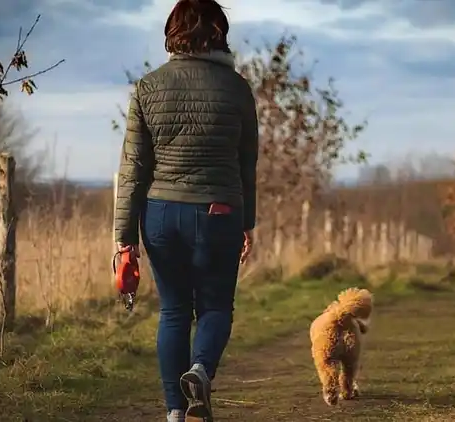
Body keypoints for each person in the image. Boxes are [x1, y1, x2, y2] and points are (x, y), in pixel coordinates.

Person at [112, 0, 258, 420]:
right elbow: (247, 162)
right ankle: (200, 371)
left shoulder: (148, 87)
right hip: (219, 211)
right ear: (218, 33)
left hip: (161, 214)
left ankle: (176, 413)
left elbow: (133, 168)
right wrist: (247, 222)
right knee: (215, 307)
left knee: (174, 310)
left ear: (173, 33)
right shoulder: (237, 88)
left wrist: (124, 237)